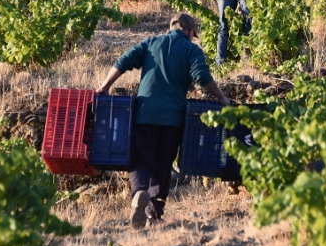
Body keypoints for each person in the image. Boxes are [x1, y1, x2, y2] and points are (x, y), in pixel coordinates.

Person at [96, 13, 230, 230]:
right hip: (173, 119)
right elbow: (201, 76)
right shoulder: (192, 49)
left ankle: (139, 191)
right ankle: (154, 212)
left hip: (145, 113)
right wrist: (221, 97)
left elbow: (123, 61)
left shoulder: (151, 43)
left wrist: (104, 86)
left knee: (141, 160)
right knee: (163, 164)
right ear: (189, 32)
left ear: (171, 28)